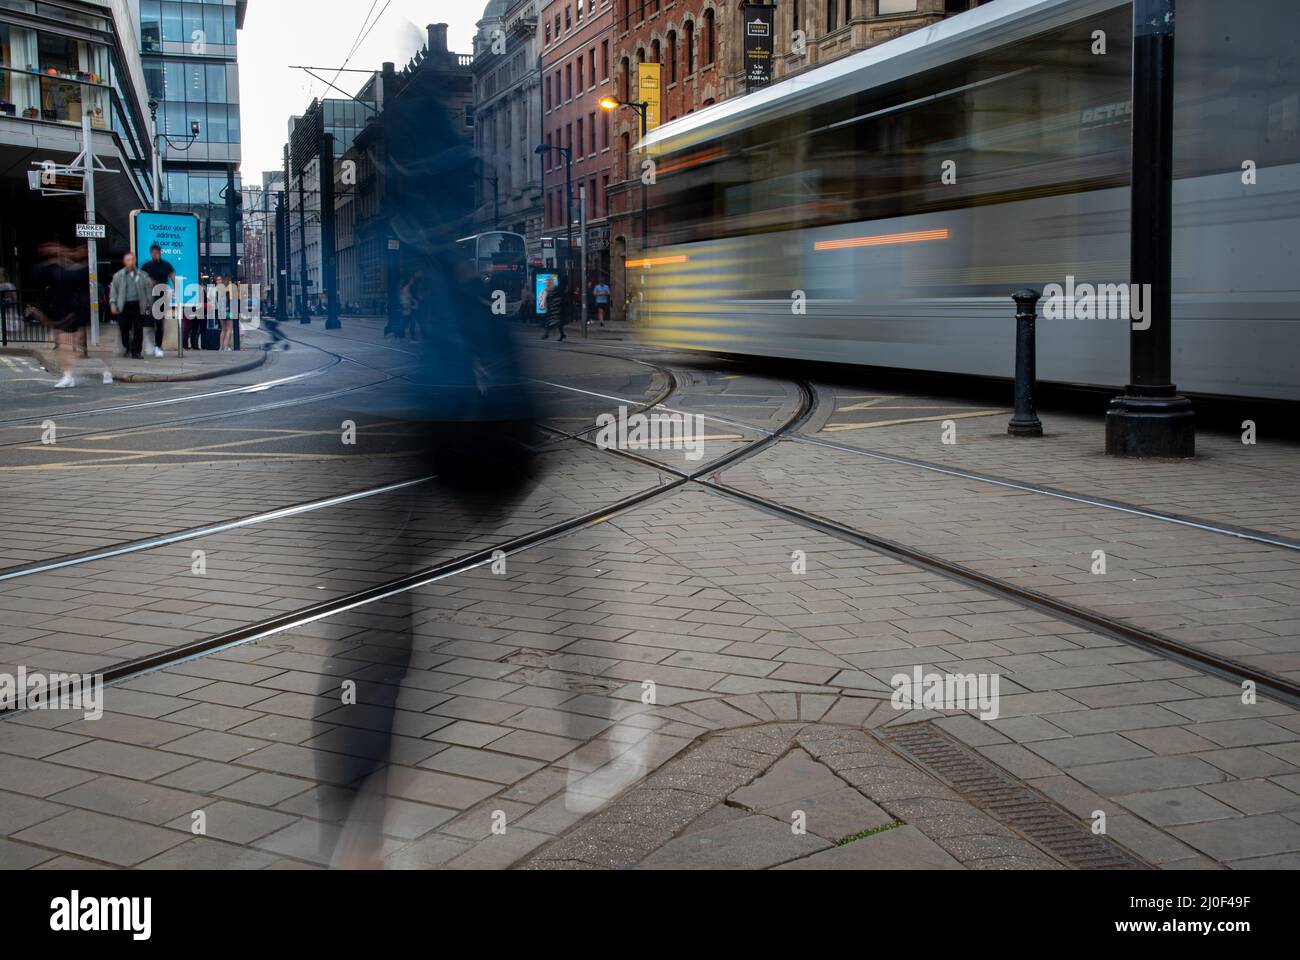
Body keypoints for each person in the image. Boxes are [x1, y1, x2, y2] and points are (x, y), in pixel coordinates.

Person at [28, 241, 89, 388]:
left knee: (66, 344)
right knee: (65, 344)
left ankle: (69, 375)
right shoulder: (54, 269)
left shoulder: (72, 270)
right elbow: (36, 274)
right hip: (63, 311)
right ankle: (69, 375)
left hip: (71, 311)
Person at [108, 253, 151, 359]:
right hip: (124, 305)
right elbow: (114, 292)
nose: (130, 262)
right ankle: (127, 346)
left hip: (138, 304)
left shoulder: (142, 275)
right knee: (123, 328)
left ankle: (136, 351)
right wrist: (113, 304)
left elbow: (148, 291)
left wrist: (149, 304)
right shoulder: (118, 275)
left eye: (132, 260)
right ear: (124, 262)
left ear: (135, 261)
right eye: (128, 260)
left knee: (138, 329)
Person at [140, 243, 174, 356]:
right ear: (150, 253)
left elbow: (173, 277)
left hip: (162, 297)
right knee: (148, 322)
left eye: (156, 253)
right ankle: (149, 345)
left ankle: (158, 346)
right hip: (149, 297)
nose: (155, 255)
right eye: (153, 253)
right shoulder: (146, 266)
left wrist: (174, 291)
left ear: (160, 253)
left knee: (159, 322)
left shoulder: (166, 265)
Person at [540, 275, 567, 341]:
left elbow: (553, 297)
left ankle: (547, 334)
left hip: (555, 308)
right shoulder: (555, 288)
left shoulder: (555, 288)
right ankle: (562, 334)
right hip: (554, 307)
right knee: (555, 322)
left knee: (551, 321)